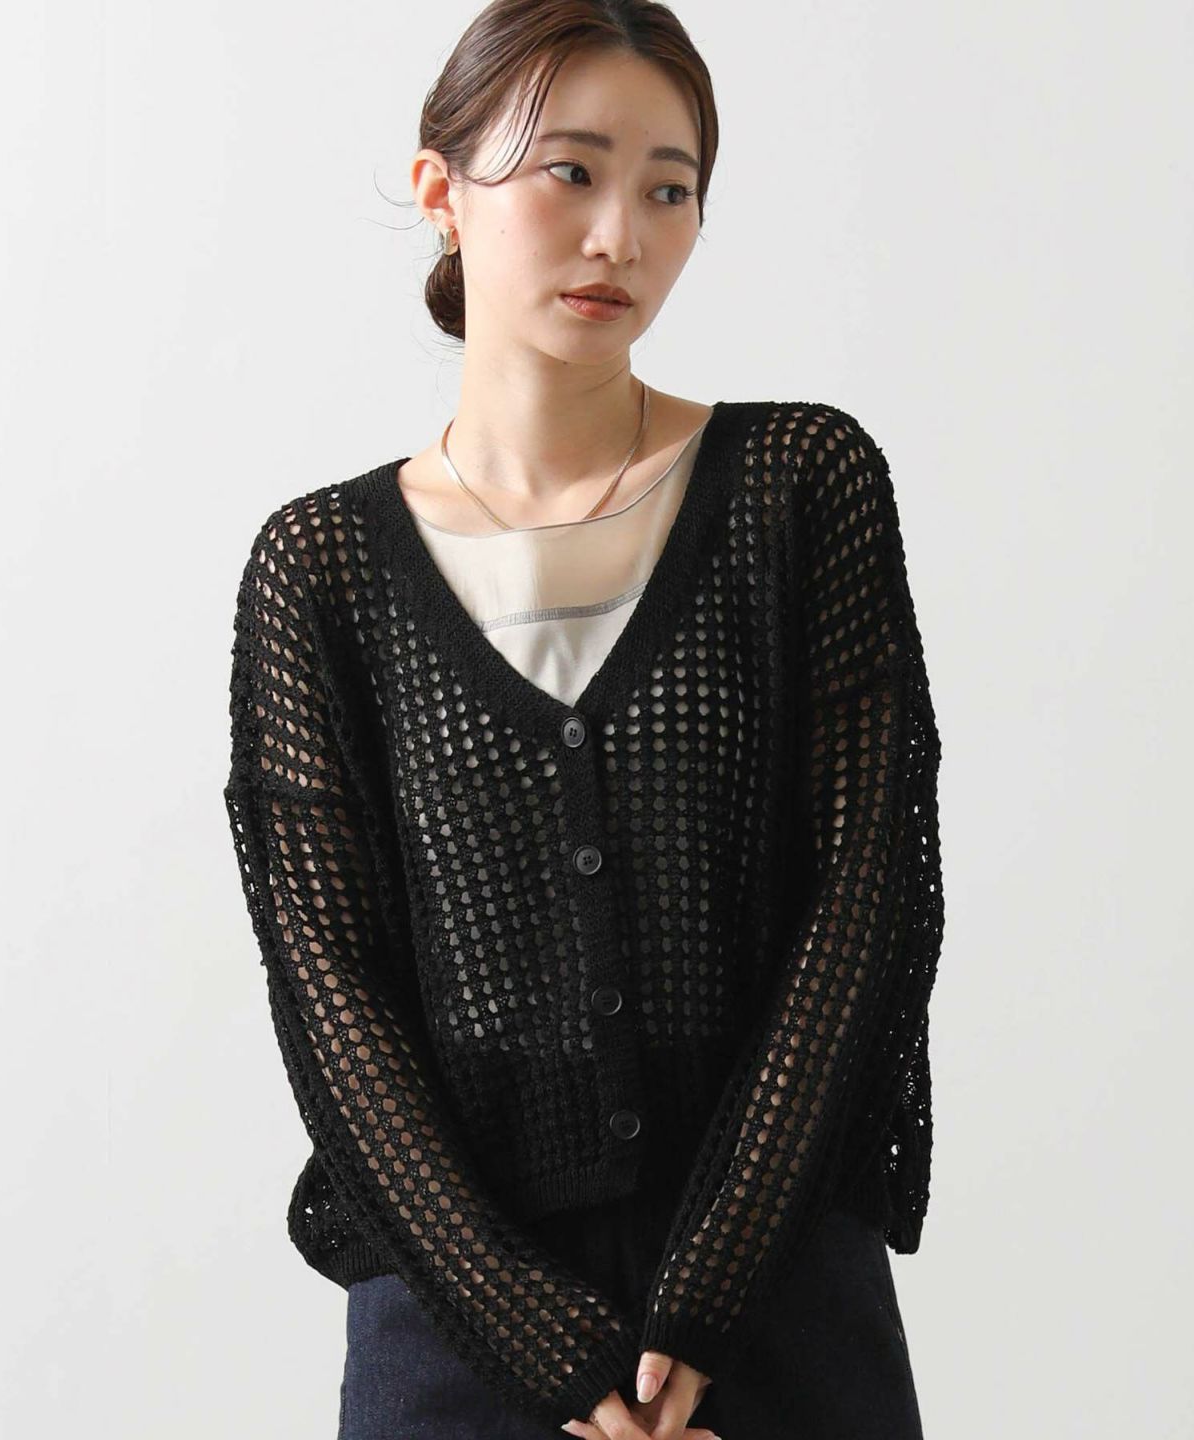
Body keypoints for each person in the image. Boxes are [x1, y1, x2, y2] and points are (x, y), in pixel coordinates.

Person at [222, 3, 944, 1438]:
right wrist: (525, 1331)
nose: (621, 235)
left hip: (777, 1296)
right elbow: (329, 985)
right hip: (459, 1327)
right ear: (441, 189)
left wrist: (713, 1290)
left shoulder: (800, 486)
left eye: (670, 190)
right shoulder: (321, 571)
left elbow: (866, 893)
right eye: (572, 171)